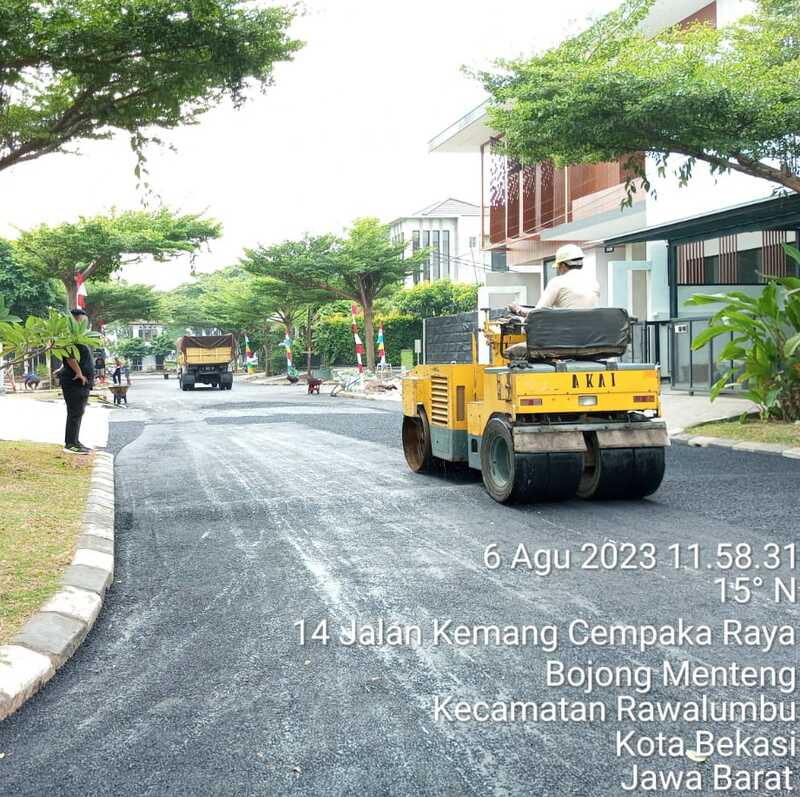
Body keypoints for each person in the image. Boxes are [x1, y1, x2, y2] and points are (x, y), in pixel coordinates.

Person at [510, 244, 600, 316]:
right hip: (591, 332)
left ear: (563, 265)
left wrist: (518, 309)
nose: (559, 270)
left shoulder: (557, 282)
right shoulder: (593, 282)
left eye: (558, 267)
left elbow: (538, 314)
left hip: (567, 331)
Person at [59, 308, 95, 454]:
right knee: (75, 413)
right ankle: (70, 444)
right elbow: (69, 357)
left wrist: (62, 367)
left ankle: (75, 441)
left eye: (84, 321)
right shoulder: (69, 337)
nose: (82, 324)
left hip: (80, 382)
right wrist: (79, 373)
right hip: (74, 381)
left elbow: (68, 358)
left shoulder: (79, 338)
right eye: (80, 321)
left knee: (78, 413)